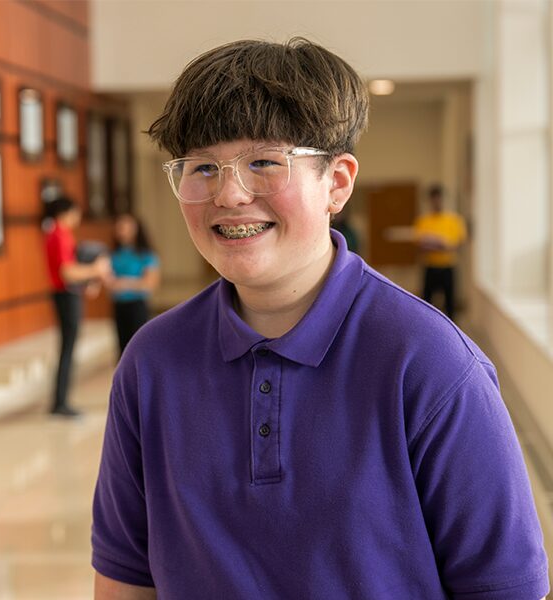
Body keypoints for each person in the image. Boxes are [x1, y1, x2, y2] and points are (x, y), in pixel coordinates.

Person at [91, 38, 549, 599]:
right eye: (203, 167)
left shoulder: (431, 363)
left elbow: (503, 587)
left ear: (337, 182)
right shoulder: (152, 362)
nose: (229, 194)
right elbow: (124, 577)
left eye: (264, 162)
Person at [44, 195, 111, 417]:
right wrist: (96, 270)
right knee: (68, 349)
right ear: (68, 212)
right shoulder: (59, 234)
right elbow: (68, 272)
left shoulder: (57, 233)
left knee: (68, 347)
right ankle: (60, 402)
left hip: (66, 293)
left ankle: (61, 400)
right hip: (65, 295)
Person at [109, 213, 161, 356]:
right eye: (119, 227)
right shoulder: (114, 254)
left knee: (137, 347)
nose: (122, 230)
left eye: (126, 227)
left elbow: (150, 283)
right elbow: (109, 281)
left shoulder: (146, 255)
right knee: (122, 349)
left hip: (137, 305)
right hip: (119, 305)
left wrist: (124, 283)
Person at [414, 184, 467, 320]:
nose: (437, 202)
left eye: (439, 199)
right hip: (430, 267)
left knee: (450, 303)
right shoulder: (423, 221)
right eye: (434, 199)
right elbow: (421, 245)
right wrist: (442, 245)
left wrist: (439, 244)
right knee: (427, 303)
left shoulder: (454, 220)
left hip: (448, 267)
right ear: (430, 201)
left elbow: (457, 245)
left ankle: (451, 328)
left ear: (444, 200)